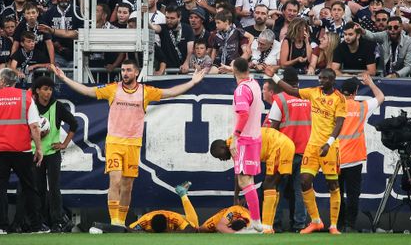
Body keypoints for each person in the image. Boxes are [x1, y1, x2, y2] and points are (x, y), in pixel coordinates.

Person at [51, 59, 205, 231]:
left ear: (136, 73)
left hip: (133, 144)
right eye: (123, 70)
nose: (125, 73)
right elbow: (88, 91)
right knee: (115, 180)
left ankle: (121, 222)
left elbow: (170, 93)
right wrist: (64, 78)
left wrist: (192, 81)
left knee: (127, 186)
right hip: (114, 142)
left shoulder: (145, 92)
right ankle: (115, 220)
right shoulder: (113, 89)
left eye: (128, 70)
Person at [264, 66, 346, 235]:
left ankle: (333, 226)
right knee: (304, 182)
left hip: (328, 147)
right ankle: (315, 221)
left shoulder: (339, 98)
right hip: (310, 146)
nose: (321, 81)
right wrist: (274, 78)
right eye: (320, 78)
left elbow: (339, 123)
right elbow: (293, 91)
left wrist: (329, 143)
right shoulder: (313, 92)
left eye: (324, 79)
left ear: (332, 80)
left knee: (332, 184)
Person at [0, 68, 48, 234]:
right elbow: (35, 126)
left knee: (0, 187)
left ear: (1, 81)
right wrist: (39, 149)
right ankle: (36, 226)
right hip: (22, 149)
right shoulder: (26, 97)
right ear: (15, 81)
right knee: (30, 187)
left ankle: (1, 226)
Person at [211, 126, 295, 233]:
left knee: (269, 185)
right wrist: (237, 197)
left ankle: (267, 227)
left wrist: (243, 197)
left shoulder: (235, 146)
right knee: (271, 186)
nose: (221, 159)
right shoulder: (233, 143)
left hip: (279, 146)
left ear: (222, 148)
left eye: (219, 156)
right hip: (281, 144)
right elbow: (239, 175)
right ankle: (268, 226)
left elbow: (244, 178)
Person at [263, 67, 311, 232]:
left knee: (276, 188)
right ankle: (299, 225)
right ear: (298, 81)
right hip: (305, 150)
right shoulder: (308, 99)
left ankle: (274, 224)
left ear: (284, 82)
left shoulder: (280, 99)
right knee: (300, 191)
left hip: (283, 152)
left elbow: (273, 129)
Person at [337, 74, 384, 232]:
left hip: (335, 158)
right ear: (355, 92)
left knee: (336, 194)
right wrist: (370, 83)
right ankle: (350, 225)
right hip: (354, 159)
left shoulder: (333, 106)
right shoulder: (362, 107)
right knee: (352, 195)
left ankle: (337, 225)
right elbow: (380, 97)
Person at [31, 76, 78, 232]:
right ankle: (40, 222)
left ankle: (57, 222)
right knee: (38, 188)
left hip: (52, 154)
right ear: (37, 91)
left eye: (50, 89)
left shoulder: (57, 106)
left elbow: (74, 123)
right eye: (45, 89)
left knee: (54, 188)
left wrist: (64, 144)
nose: (48, 93)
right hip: (35, 154)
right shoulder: (30, 107)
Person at [225, 57, 265, 233]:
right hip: (255, 137)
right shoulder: (254, 83)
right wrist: (232, 69)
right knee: (249, 180)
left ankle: (256, 223)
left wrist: (235, 137)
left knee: (244, 180)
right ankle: (256, 222)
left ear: (234, 70)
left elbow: (243, 114)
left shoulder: (241, 90)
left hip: (245, 140)